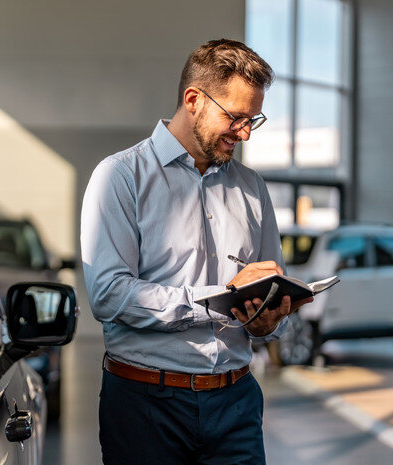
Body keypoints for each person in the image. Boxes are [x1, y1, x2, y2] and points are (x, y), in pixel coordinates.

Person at [80, 39, 313, 465]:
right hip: (145, 404)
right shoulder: (120, 177)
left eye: (253, 120)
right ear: (193, 100)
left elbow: (264, 299)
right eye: (236, 117)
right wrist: (218, 299)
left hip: (237, 402)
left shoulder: (252, 188)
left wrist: (267, 318)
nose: (244, 133)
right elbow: (108, 294)